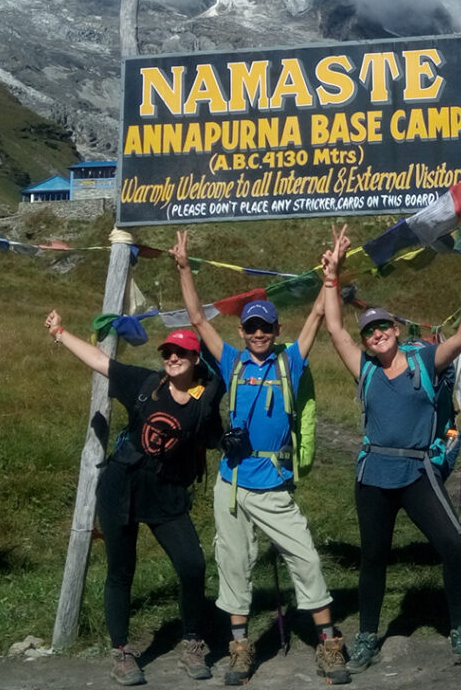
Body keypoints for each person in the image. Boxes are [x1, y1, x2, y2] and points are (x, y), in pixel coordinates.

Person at [171, 230, 351, 687]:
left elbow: (316, 316)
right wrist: (183, 267)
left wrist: (332, 272)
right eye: (251, 327)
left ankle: (328, 644)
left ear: (276, 331)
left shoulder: (290, 363)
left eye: (265, 327)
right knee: (233, 568)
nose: (257, 334)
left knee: (306, 558)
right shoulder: (230, 362)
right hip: (231, 486)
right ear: (242, 331)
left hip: (272, 486)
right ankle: (239, 648)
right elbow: (196, 318)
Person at [319, 224, 461, 672]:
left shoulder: (424, 360)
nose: (376, 334)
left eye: (382, 327)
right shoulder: (366, 370)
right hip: (373, 475)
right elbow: (335, 326)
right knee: (373, 558)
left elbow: (460, 338)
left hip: (418, 473)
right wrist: (331, 277)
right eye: (370, 332)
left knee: (453, 546)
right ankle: (365, 638)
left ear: (395, 329)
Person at [44, 309, 224, 685]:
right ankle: (122, 652)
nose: (172, 359)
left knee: (193, 566)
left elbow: (211, 439)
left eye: (181, 354)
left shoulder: (205, 400)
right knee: (121, 571)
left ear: (195, 360)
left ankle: (191, 642)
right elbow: (100, 361)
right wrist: (61, 333)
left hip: (167, 492)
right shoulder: (144, 382)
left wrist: (232, 442)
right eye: (167, 353)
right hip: (121, 486)